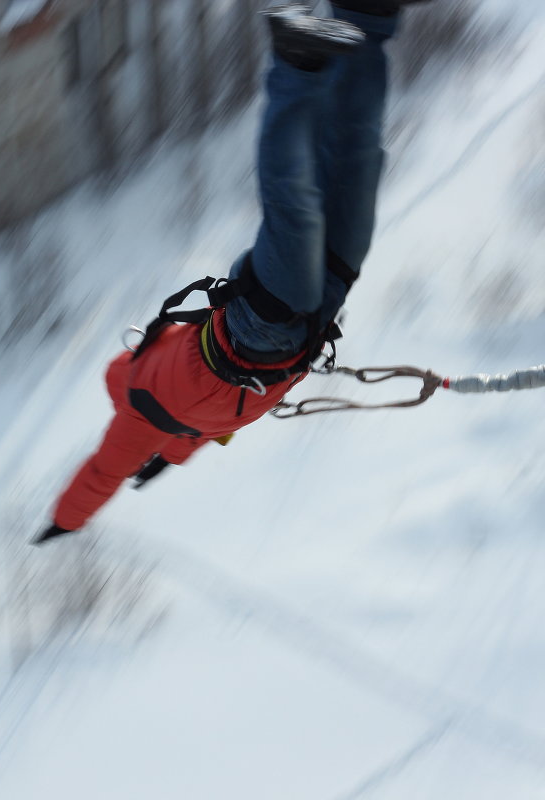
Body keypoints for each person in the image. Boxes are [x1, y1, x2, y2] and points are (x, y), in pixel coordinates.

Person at [35, 0, 430, 544]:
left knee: (295, 206)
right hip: (317, 316)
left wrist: (64, 521)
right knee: (358, 160)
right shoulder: (180, 434)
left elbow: (101, 474)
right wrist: (161, 465)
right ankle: (366, 17)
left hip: (261, 324)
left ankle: (294, 61)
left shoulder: (136, 418)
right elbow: (182, 443)